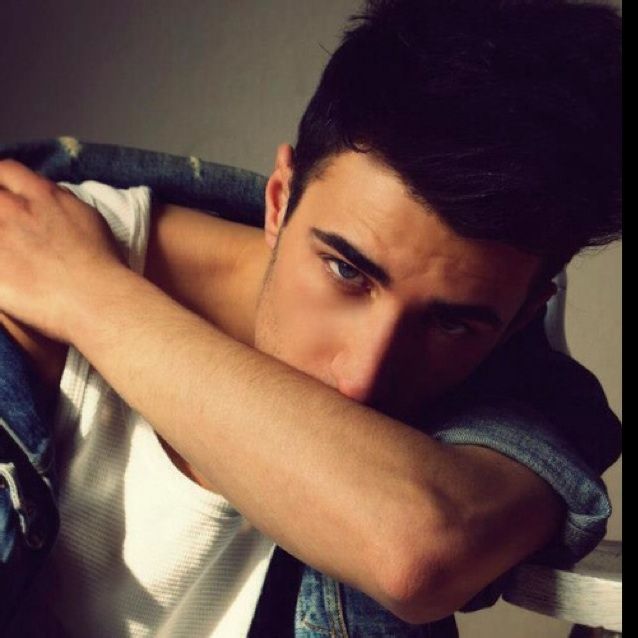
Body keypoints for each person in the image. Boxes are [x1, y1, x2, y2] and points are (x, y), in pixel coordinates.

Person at [0, 0, 621, 636]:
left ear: (520, 319)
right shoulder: (17, 252)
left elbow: (416, 555)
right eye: (347, 271)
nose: (363, 378)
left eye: (451, 325)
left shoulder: (529, 407)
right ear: (279, 201)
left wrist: (92, 298)